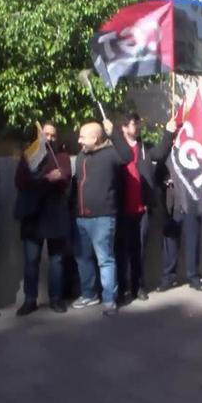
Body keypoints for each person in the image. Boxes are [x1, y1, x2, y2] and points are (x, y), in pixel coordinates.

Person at [71, 119, 133, 316]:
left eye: (83, 136)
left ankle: (109, 300)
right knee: (83, 258)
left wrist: (114, 133)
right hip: (81, 218)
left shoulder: (110, 154)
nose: (79, 140)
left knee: (105, 260)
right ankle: (89, 294)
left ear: (95, 138)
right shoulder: (81, 156)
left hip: (103, 218)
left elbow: (127, 155)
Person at [115, 113, 176, 302]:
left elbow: (159, 153)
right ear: (124, 128)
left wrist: (168, 133)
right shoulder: (116, 149)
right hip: (121, 209)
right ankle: (122, 288)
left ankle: (138, 286)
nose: (138, 126)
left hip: (142, 208)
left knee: (138, 250)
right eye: (134, 123)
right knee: (121, 251)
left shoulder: (144, 148)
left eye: (138, 123)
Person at [14, 123, 71, 317]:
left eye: (53, 135)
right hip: (33, 215)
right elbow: (20, 181)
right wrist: (45, 180)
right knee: (31, 260)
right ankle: (30, 300)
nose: (49, 138)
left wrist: (43, 181)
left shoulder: (61, 156)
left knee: (57, 260)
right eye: (45, 134)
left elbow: (64, 179)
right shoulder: (29, 155)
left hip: (55, 215)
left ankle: (56, 299)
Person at [157, 151, 202, 293]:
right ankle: (167, 277)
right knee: (170, 243)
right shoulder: (169, 156)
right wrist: (167, 180)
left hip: (192, 205)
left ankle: (193, 277)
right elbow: (158, 176)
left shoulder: (196, 154)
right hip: (174, 206)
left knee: (193, 242)